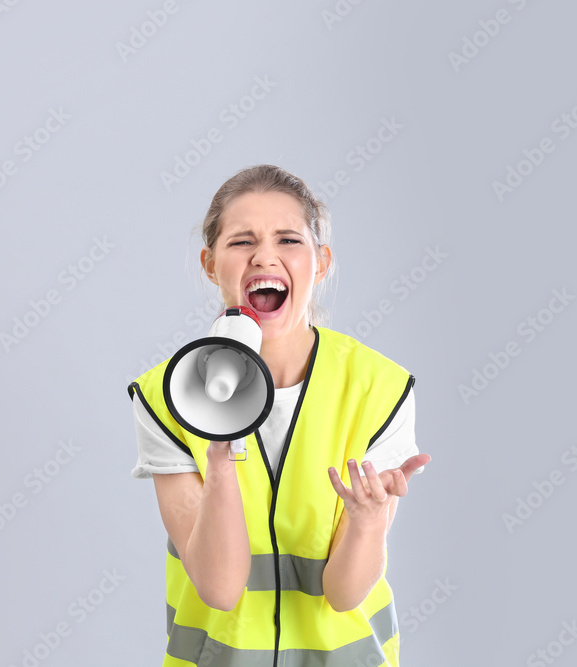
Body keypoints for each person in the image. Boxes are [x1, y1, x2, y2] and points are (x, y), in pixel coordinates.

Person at [128, 164, 430, 666]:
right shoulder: (167, 397)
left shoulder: (379, 388)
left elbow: (344, 594)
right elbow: (220, 589)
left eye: (289, 240)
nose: (264, 255)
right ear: (210, 263)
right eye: (241, 241)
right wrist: (220, 458)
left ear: (321, 261)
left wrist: (368, 521)